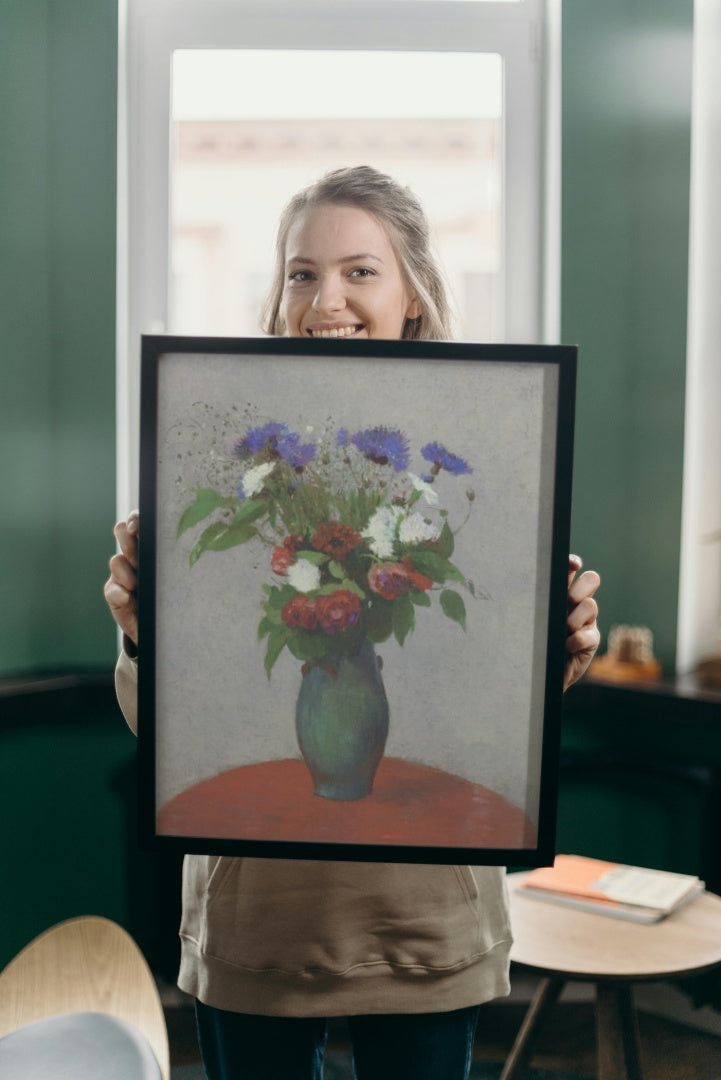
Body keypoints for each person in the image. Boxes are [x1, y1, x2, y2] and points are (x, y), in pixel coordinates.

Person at [105, 166, 601, 1080]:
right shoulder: (219, 452)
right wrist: (143, 635)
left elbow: (488, 705)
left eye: (358, 271)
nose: (324, 298)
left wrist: (558, 648)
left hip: (424, 917)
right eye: (301, 272)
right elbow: (170, 728)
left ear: (413, 292)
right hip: (257, 919)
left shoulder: (485, 457)